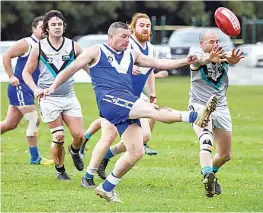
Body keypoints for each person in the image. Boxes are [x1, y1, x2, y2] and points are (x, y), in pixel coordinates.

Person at [42, 22, 218, 202]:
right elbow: (71, 69)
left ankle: (107, 187)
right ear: (111, 37)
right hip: (109, 100)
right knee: (152, 111)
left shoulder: (132, 54)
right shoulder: (96, 50)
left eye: (128, 37)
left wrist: (185, 61)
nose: (127, 41)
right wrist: (51, 88)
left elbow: (158, 63)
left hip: (126, 101)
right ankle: (195, 116)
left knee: (136, 151)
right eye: (123, 37)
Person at [22, 10, 89, 180]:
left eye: (60, 24)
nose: (57, 27)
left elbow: (89, 67)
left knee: (80, 136)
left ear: (63, 27)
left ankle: (74, 151)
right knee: (58, 136)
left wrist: (99, 82)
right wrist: (36, 89)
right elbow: (26, 73)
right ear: (47, 28)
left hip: (69, 97)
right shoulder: (38, 47)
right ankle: (60, 170)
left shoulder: (74, 46)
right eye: (53, 25)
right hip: (48, 98)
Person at [189, 29, 244, 197]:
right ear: (202, 44)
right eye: (211, 42)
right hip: (200, 106)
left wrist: (233, 61)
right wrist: (208, 58)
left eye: (217, 41)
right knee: (206, 139)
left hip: (221, 107)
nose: (215, 45)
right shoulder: (196, 55)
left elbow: (230, 60)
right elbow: (198, 62)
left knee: (225, 155)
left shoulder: (223, 55)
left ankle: (210, 174)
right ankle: (207, 175)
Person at [1, 16, 53, 165]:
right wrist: (11, 76)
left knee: (10, 124)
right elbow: (7, 56)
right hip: (20, 87)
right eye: (41, 28)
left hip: (30, 89)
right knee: (33, 120)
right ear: (34, 29)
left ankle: (35, 157)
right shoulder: (26, 43)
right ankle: (35, 157)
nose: (44, 31)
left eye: (46, 28)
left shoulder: (45, 46)